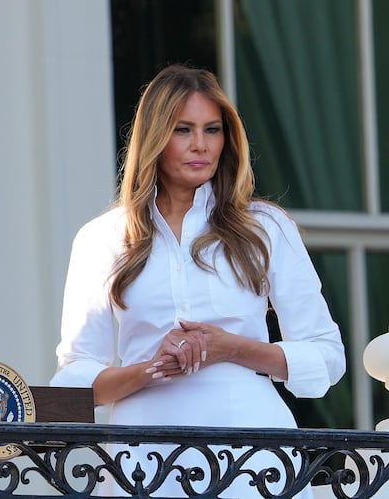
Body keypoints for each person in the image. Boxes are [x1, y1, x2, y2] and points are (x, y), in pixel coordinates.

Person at [50, 64, 345, 497]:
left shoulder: (265, 227)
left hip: (254, 456)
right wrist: (152, 368)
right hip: (143, 457)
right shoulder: (102, 238)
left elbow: (326, 355)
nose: (201, 145)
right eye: (183, 130)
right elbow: (75, 381)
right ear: (155, 137)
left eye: (213, 130)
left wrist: (231, 348)